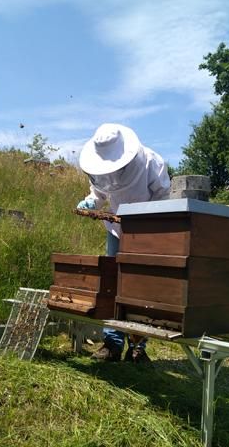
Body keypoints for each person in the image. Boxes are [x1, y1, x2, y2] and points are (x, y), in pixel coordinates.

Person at [77, 123, 171, 363]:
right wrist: (91, 202)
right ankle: (112, 344)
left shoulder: (151, 162)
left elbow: (163, 197)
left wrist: (149, 222)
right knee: (112, 283)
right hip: (116, 229)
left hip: (146, 231)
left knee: (141, 286)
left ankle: (138, 346)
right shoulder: (100, 167)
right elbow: (99, 193)